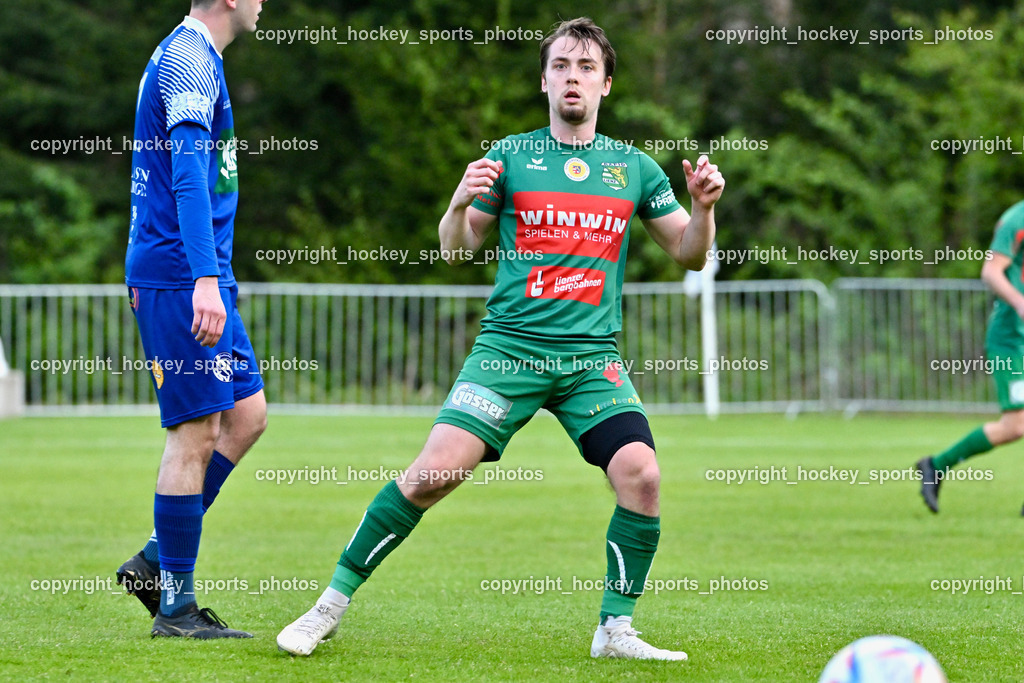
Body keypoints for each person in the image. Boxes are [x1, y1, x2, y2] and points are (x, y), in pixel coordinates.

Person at [277, 17, 723, 660]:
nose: (574, 77)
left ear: (605, 86)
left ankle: (615, 631)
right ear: (544, 80)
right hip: (508, 351)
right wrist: (458, 204)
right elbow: (456, 250)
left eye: (587, 68)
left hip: (589, 362)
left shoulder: (636, 169)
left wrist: (704, 208)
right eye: (562, 65)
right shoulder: (510, 158)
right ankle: (327, 608)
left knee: (642, 476)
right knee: (432, 475)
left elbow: (689, 254)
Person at [117, 0, 268, 639]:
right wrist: (205, 279)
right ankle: (175, 607)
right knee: (195, 432)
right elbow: (186, 177)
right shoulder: (188, 55)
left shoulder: (200, 55)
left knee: (246, 415)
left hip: (200, 275)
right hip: (184, 276)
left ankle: (156, 558)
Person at [917, 201, 1024, 514]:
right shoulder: (1017, 218)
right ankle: (936, 466)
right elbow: (990, 271)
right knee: (1015, 425)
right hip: (1012, 340)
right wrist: (1019, 302)